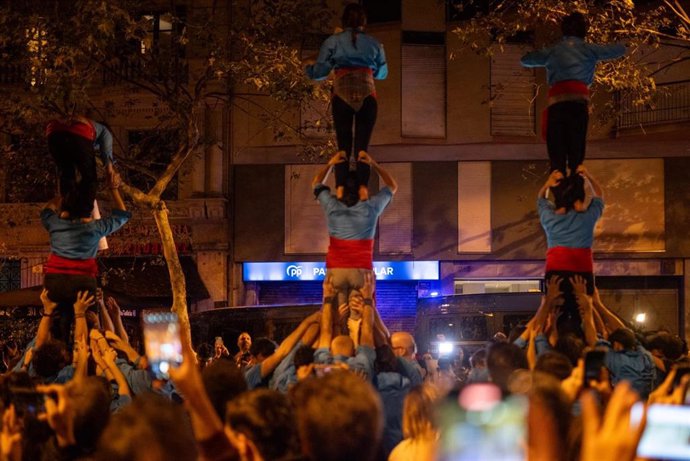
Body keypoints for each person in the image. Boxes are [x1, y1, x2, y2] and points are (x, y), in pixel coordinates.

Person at [520, 11, 625, 176]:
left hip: (557, 103)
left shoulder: (554, 50)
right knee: (576, 150)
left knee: (557, 153)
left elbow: (526, 60)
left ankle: (559, 176)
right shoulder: (589, 49)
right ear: (583, 31)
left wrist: (537, 55)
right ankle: (576, 177)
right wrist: (622, 40)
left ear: (564, 30)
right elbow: (618, 50)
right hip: (578, 102)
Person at [305, 3, 388, 200]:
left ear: (343, 21)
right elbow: (383, 73)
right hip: (367, 94)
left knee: (343, 146)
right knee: (362, 149)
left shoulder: (333, 41)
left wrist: (309, 68)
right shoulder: (375, 44)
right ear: (363, 23)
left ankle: (341, 190)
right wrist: (368, 68)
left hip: (341, 94)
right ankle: (363, 192)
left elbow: (319, 73)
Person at [41, 173, 130, 341]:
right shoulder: (94, 228)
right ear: (89, 209)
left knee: (59, 326)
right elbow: (122, 215)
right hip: (82, 282)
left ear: (65, 208)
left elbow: (47, 210)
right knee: (89, 324)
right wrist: (114, 189)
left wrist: (62, 196)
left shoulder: (55, 223)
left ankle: (60, 354)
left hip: (56, 281)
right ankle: (86, 354)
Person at [312, 151, 397, 309]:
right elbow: (392, 186)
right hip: (361, 271)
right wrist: (373, 163)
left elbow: (316, 183)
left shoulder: (332, 206)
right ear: (361, 190)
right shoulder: (370, 208)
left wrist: (331, 163)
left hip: (336, 270)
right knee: (358, 318)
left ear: (341, 189)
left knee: (336, 316)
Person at [537, 165, 603, 331]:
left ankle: (553, 333)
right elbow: (599, 195)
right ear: (578, 201)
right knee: (585, 311)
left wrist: (547, 184)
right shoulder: (587, 218)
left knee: (555, 312)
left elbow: (541, 199)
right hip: (581, 270)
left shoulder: (550, 219)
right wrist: (588, 175)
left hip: (557, 269)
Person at [46, 116, 116, 219]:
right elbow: (106, 151)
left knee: (66, 173)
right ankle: (83, 215)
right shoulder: (103, 131)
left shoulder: (82, 122)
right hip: (79, 131)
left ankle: (66, 210)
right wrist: (110, 171)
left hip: (53, 132)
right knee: (90, 178)